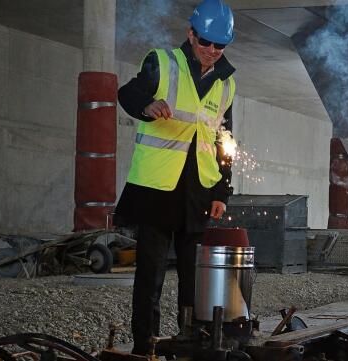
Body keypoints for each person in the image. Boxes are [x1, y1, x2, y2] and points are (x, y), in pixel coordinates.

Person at [114, 0, 237, 355]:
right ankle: (145, 345)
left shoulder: (226, 83)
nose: (212, 51)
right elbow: (128, 92)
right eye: (205, 43)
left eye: (219, 45)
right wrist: (146, 106)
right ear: (190, 34)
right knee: (150, 276)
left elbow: (224, 139)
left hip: (198, 191)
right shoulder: (163, 62)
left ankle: (191, 341)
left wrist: (221, 192)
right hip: (157, 189)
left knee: (194, 277)